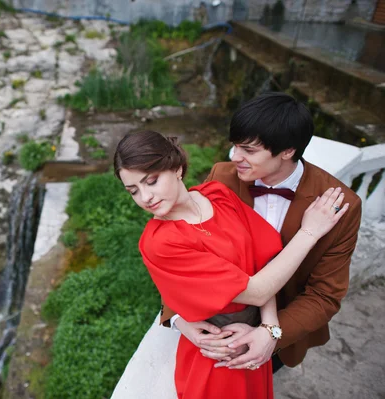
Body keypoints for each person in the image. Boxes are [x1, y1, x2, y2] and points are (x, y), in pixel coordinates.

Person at [114, 129, 349, 398]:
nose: (145, 198)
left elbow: (263, 261)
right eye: (133, 191)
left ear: (177, 168)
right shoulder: (160, 242)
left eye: (151, 181)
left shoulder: (217, 194)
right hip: (219, 356)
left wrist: (268, 329)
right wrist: (310, 231)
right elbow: (257, 289)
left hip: (254, 342)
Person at [159, 92, 362, 375]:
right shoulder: (222, 177)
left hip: (282, 329)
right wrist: (179, 316)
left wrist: (272, 334)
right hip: (216, 323)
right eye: (235, 146)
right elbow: (179, 252)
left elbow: (325, 294)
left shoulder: (341, 205)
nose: (235, 157)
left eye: (248, 150)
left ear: (288, 151)